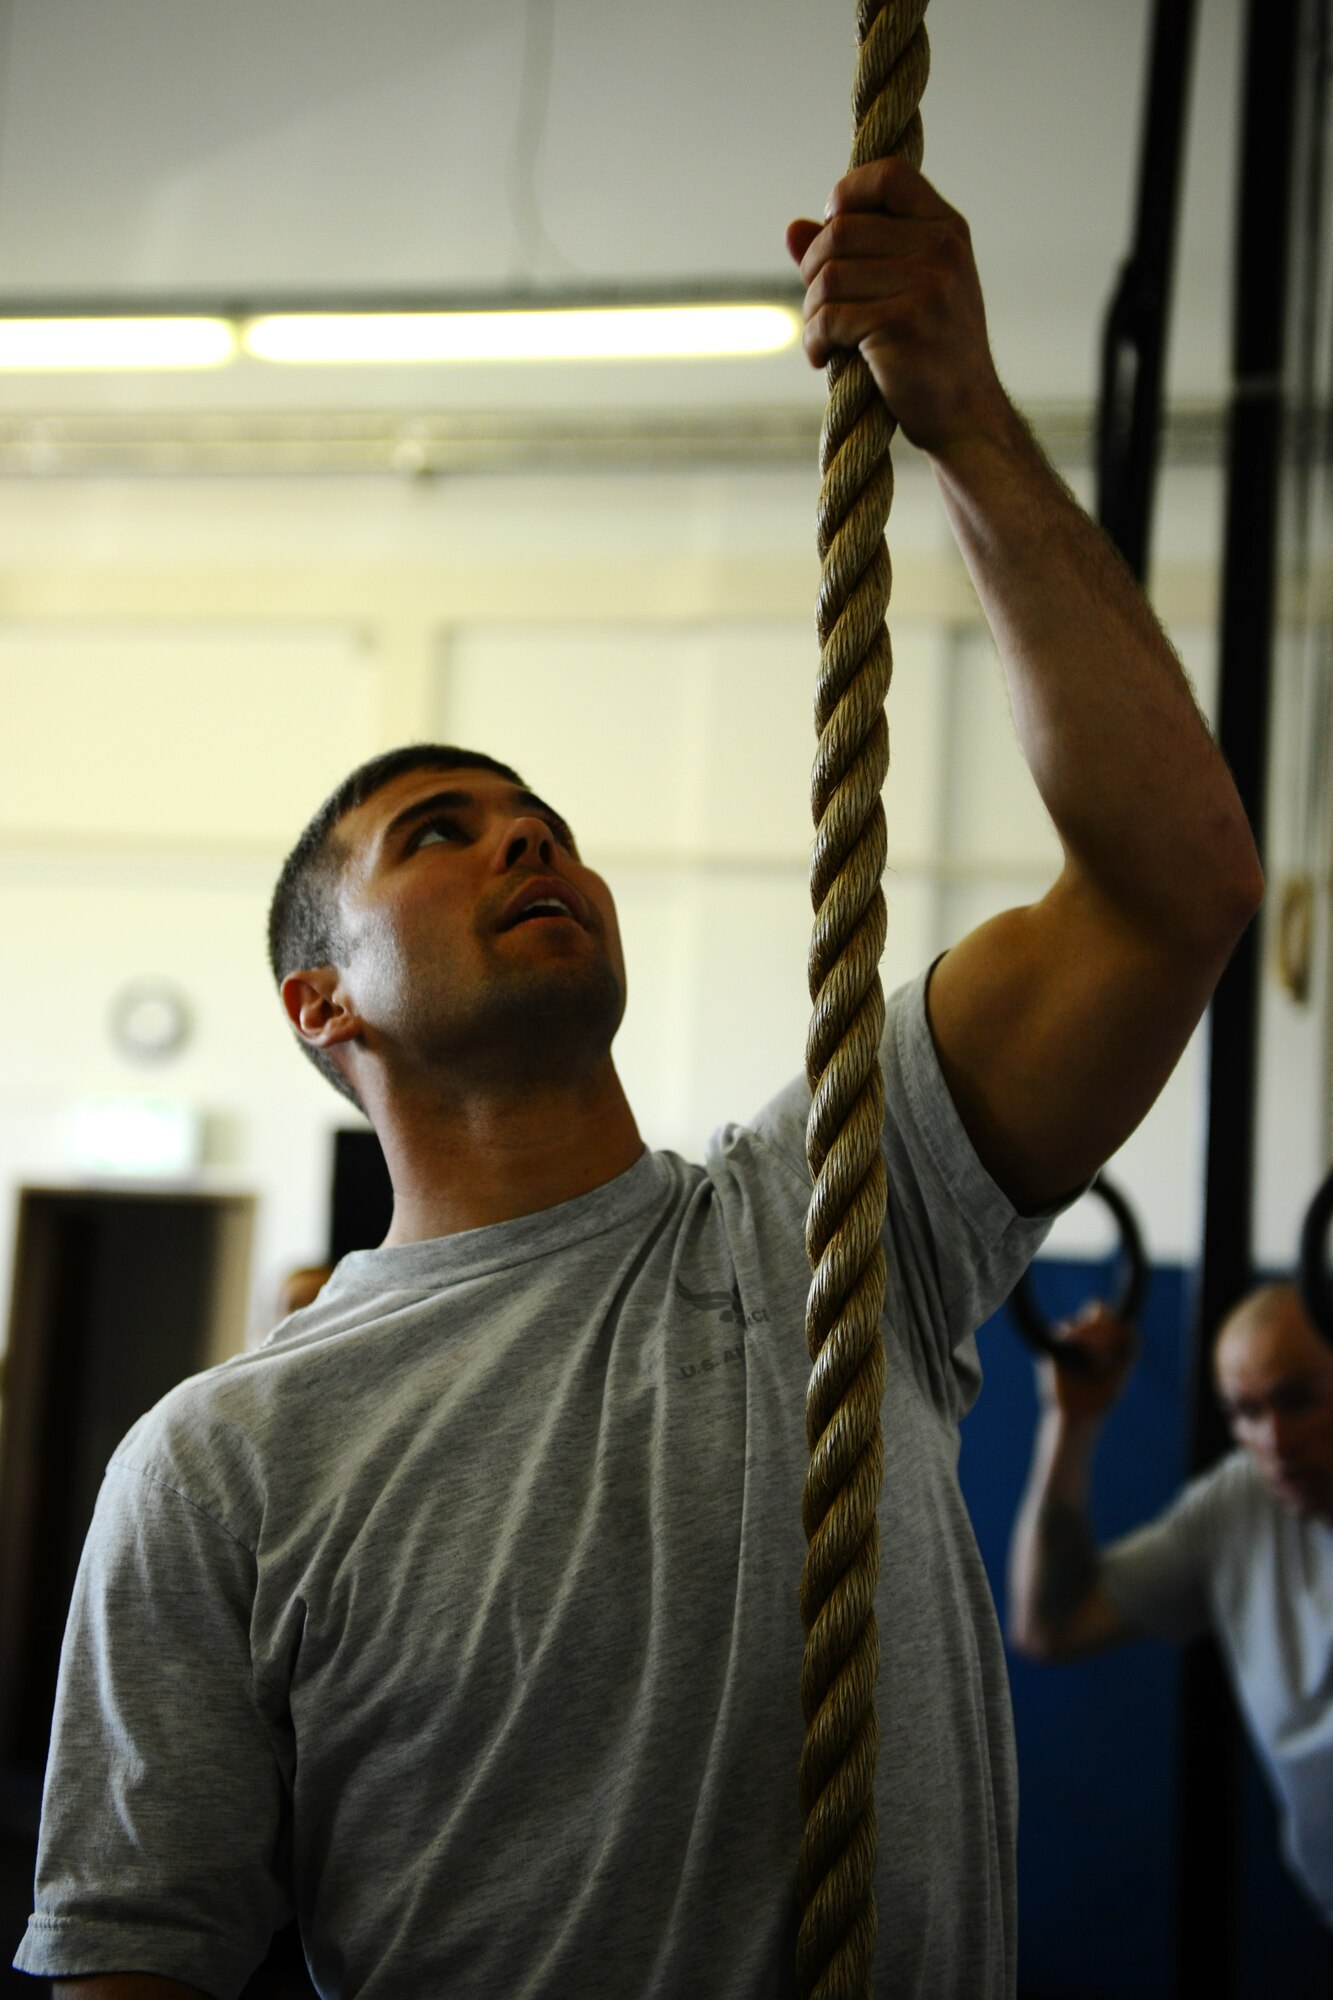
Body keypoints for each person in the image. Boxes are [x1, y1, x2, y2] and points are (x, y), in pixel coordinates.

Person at [16, 160, 1262, 2000]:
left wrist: (970, 428)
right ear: (318, 1007)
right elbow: (140, 1963)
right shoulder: (220, 1469)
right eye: (443, 836)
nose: (530, 848)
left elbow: (1174, 888)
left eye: (547, 827)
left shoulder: (837, 1213)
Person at [1007, 1284, 1333, 1929]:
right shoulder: (1242, 1502)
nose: (1272, 1439)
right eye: (1244, 1412)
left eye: (1297, 1400)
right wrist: (1071, 1425)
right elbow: (1052, 1626)